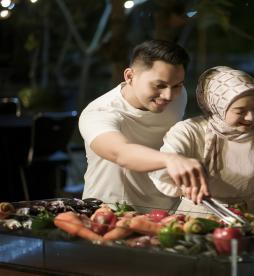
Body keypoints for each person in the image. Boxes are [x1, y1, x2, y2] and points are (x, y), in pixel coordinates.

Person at [79, 40, 208, 209]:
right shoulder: (99, 112)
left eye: (177, 85)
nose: (168, 95)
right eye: (159, 85)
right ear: (130, 76)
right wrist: (171, 160)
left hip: (165, 213)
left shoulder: (178, 96)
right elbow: (121, 153)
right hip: (109, 212)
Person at [149, 66, 254, 215]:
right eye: (240, 111)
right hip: (197, 215)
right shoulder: (188, 131)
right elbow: (163, 167)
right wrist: (181, 176)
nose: (251, 117)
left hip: (249, 215)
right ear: (217, 106)